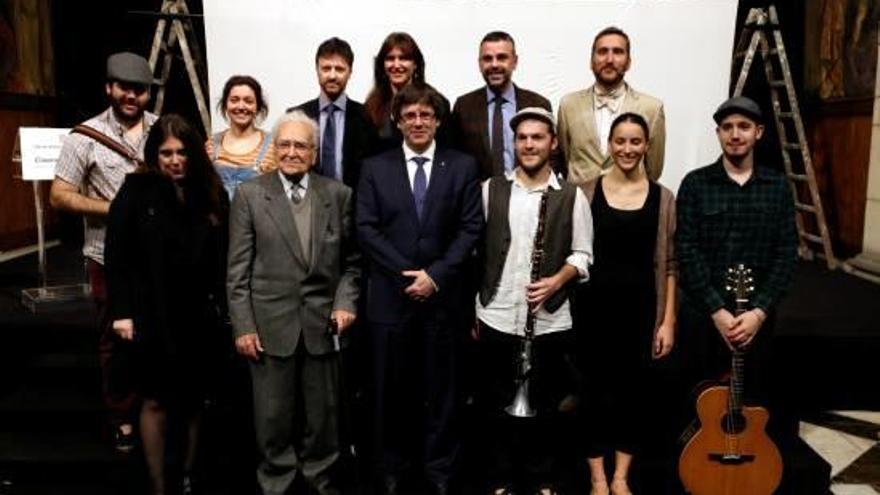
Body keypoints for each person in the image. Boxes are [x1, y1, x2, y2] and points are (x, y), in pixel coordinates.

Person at [357, 84, 483, 495]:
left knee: (442, 393)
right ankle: (392, 468)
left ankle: (439, 470)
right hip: (390, 301)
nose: (417, 122)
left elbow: (470, 228)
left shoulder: (462, 166)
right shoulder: (375, 167)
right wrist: (409, 274)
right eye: (409, 115)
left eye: (425, 115)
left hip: (444, 300)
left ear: (438, 121)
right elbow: (366, 228)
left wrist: (436, 276)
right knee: (390, 392)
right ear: (397, 121)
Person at [226, 110, 361, 495]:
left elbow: (352, 264)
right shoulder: (251, 195)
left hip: (322, 324)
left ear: (314, 153)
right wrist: (244, 326)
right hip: (269, 326)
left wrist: (345, 302)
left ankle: (320, 480)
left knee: (323, 420)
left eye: (300, 145)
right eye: (283, 144)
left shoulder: (338, 195)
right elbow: (237, 271)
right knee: (272, 419)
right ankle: (276, 484)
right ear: (274, 149)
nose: (291, 152)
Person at [104, 114, 228, 495]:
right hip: (151, 314)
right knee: (155, 401)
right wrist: (122, 312)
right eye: (166, 153)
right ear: (154, 155)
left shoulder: (210, 191)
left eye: (182, 152)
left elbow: (223, 255)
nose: (175, 160)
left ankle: (188, 477)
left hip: (198, 315)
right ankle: (159, 486)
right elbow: (117, 255)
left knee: (193, 400)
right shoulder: (135, 191)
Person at [475, 107, 593, 495]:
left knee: (545, 404)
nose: (529, 144)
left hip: (548, 318)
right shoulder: (491, 189)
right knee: (494, 403)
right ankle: (500, 478)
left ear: (553, 143)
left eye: (537, 137)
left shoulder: (571, 195)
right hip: (496, 311)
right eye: (522, 138)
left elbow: (583, 255)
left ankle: (543, 479)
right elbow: (477, 250)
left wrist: (556, 280)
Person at [49, 51, 158, 453]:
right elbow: (59, 196)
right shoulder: (84, 137)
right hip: (105, 254)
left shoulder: (162, 130)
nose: (132, 96)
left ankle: (154, 410)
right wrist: (114, 210)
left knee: (155, 334)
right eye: (124, 88)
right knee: (114, 338)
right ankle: (121, 417)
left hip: (156, 257)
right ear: (109, 88)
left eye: (140, 90)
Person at [675, 96, 797, 431]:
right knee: (697, 411)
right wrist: (717, 312)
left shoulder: (777, 188)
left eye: (743, 126)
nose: (735, 134)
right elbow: (686, 250)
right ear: (718, 134)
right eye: (727, 127)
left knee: (751, 408)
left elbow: (787, 254)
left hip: (757, 320)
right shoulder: (696, 184)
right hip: (705, 318)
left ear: (758, 132)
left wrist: (758, 313)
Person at [576, 112, 677, 495]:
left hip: (640, 315)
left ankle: (621, 477)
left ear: (647, 146)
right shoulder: (585, 192)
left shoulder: (664, 198)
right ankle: (597, 477)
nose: (628, 149)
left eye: (636, 141)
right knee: (592, 396)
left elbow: (670, 265)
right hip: (591, 314)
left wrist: (667, 322)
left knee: (633, 399)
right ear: (609, 145)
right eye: (620, 141)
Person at [557, 26, 666, 184]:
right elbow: (565, 159)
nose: (609, 59)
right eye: (602, 52)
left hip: (629, 204)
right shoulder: (568, 105)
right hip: (579, 202)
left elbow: (653, 169)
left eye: (618, 52)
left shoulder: (652, 108)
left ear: (628, 62)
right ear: (591, 62)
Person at [450, 31, 553, 179]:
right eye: (487, 59)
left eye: (502, 57)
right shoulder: (464, 106)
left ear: (515, 61)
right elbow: (455, 158)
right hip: (479, 197)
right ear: (479, 63)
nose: (494, 64)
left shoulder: (538, 103)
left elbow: (552, 155)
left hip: (528, 194)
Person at [288, 37, 377, 190]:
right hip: (307, 206)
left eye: (340, 69)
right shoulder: (297, 116)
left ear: (350, 72)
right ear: (317, 70)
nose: (332, 75)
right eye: (326, 68)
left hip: (353, 207)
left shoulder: (367, 117)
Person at [364, 32, 450, 151]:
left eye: (403, 58)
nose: (396, 64)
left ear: (415, 64)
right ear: (382, 64)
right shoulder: (370, 107)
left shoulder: (437, 102)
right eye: (390, 58)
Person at [206, 75, 276, 199]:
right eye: (234, 100)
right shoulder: (212, 144)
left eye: (248, 101)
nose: (241, 107)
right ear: (226, 105)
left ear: (257, 107)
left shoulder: (272, 145)